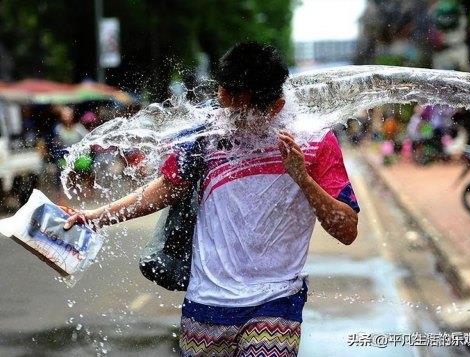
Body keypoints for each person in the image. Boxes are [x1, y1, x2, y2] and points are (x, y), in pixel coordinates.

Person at [64, 42, 359, 356]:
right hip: (205, 306)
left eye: (241, 109)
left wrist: (302, 178)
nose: (228, 113)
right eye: (224, 97)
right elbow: (166, 188)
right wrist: (95, 217)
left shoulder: (314, 142)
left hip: (276, 303)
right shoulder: (203, 136)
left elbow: (347, 229)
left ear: (274, 107)